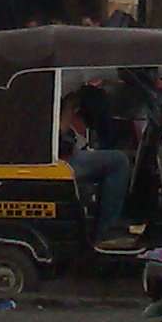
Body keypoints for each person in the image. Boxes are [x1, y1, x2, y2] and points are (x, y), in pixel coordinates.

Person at [62, 91, 137, 251]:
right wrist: (69, 106)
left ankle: (115, 219)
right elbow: (56, 131)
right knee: (118, 161)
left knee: (122, 158)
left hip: (68, 154)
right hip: (59, 162)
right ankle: (106, 230)